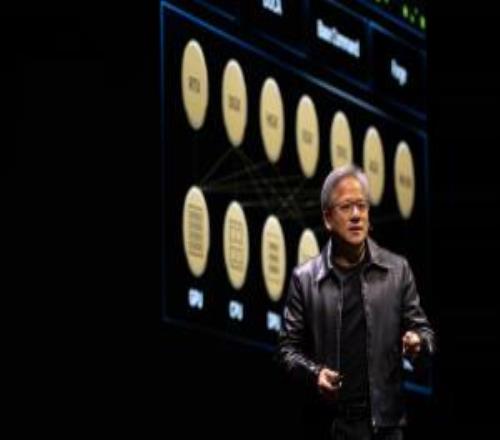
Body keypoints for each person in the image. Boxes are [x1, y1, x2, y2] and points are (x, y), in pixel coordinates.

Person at [277, 165, 435, 440]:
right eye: (346, 207)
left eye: (362, 206)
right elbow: (286, 350)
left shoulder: (397, 271)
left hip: (384, 427)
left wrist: (418, 343)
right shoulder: (306, 279)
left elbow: (425, 335)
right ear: (328, 218)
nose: (356, 215)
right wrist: (315, 375)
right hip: (329, 426)